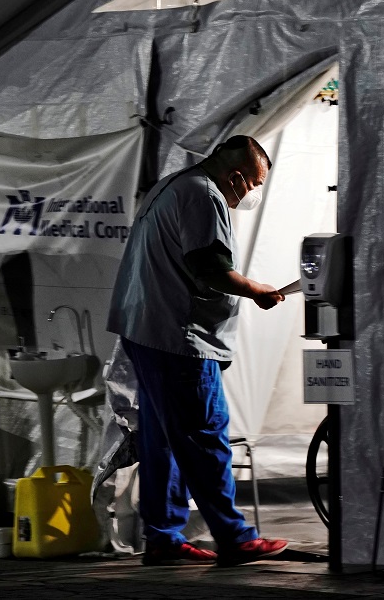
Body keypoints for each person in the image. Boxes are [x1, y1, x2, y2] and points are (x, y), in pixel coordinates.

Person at [107, 135, 288, 566]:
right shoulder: (204, 195)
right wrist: (257, 290)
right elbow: (210, 268)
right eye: (254, 184)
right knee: (205, 435)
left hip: (147, 331)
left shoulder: (173, 184)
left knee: (162, 440)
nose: (252, 194)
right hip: (179, 338)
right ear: (238, 175)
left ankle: (163, 538)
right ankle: (234, 536)